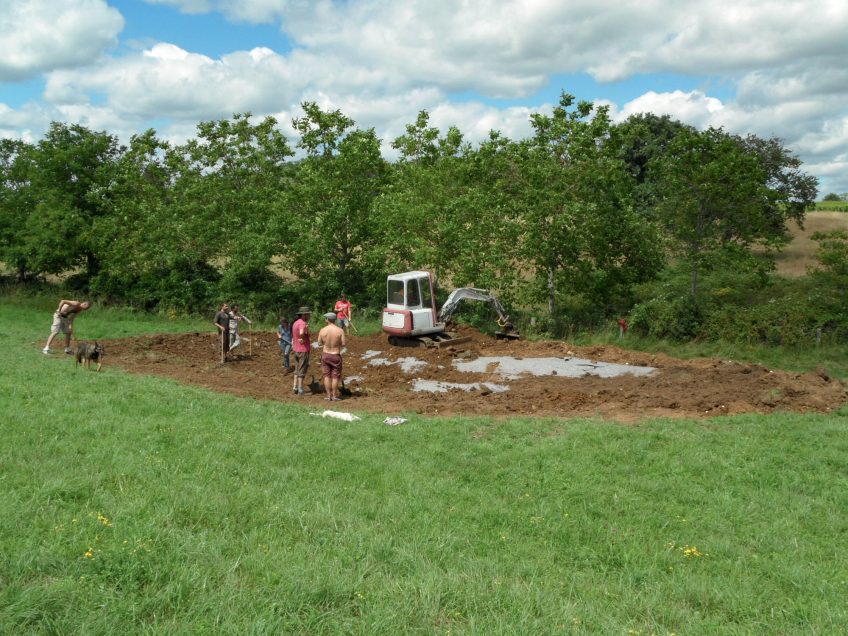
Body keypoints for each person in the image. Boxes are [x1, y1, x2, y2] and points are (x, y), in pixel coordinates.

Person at [317, 311, 346, 401]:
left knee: (326, 376)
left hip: (325, 354)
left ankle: (328, 396)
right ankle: (334, 396)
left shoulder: (322, 330)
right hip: (336, 355)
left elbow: (319, 343)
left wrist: (326, 342)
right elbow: (343, 343)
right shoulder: (340, 330)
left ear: (327, 320)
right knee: (335, 376)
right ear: (334, 320)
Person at [291, 306, 312, 395]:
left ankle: (295, 387)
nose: (309, 316)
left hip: (296, 349)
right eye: (308, 314)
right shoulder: (302, 323)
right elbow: (301, 332)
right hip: (303, 350)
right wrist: (303, 338)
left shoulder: (295, 323)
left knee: (297, 369)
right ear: (304, 315)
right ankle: (300, 389)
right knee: (302, 369)